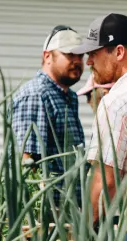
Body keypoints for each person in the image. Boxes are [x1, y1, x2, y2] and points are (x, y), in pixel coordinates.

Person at [72, 14, 127, 236]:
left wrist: (83, 235)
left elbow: (105, 180)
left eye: (94, 53)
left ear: (119, 52)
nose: (89, 62)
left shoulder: (116, 101)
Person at [12, 25, 85, 198]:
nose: (77, 61)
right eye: (69, 54)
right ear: (47, 57)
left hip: (70, 208)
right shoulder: (36, 95)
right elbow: (28, 165)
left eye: (80, 55)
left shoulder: (69, 96)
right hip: (49, 212)